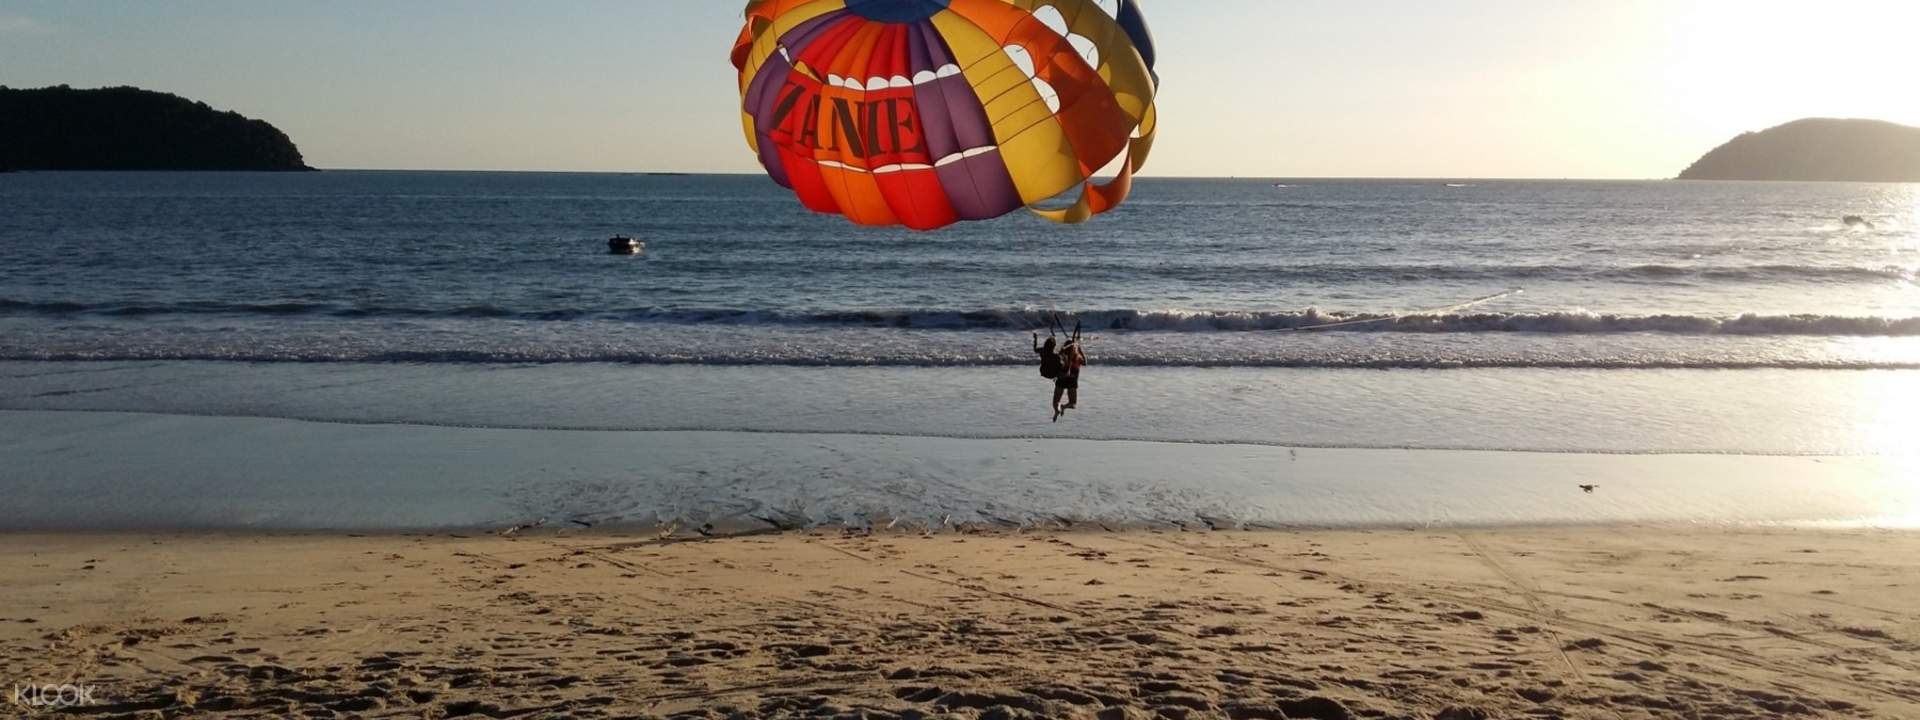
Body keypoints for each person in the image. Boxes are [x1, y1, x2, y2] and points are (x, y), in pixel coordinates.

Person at [1051, 338, 1085, 421]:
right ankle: (1064, 406)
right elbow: (1085, 362)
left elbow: (1055, 365)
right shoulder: (1078, 358)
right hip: (1072, 380)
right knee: (1073, 403)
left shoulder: (1061, 357)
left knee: (1056, 401)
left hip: (1061, 378)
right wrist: (1080, 350)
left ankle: (1057, 409)